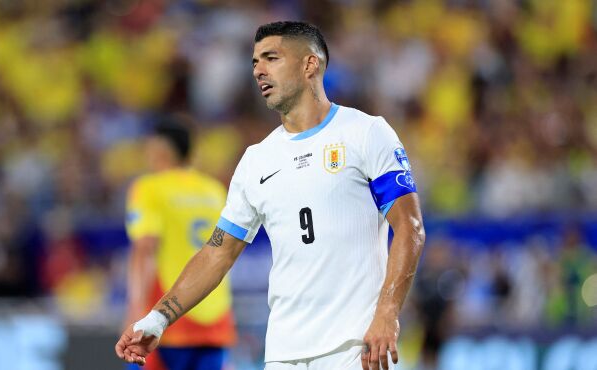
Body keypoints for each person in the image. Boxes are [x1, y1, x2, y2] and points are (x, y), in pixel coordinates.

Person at [116, 21, 425, 370]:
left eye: (271, 58)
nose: (258, 70)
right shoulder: (256, 161)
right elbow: (217, 252)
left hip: (355, 348)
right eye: (254, 62)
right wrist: (158, 319)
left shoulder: (367, 133)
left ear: (310, 65)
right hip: (283, 353)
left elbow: (409, 227)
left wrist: (387, 313)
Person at [123, 117, 236, 370]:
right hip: (214, 317)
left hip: (166, 319)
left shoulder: (149, 188)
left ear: (160, 149)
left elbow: (145, 249)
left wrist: (135, 311)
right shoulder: (214, 190)